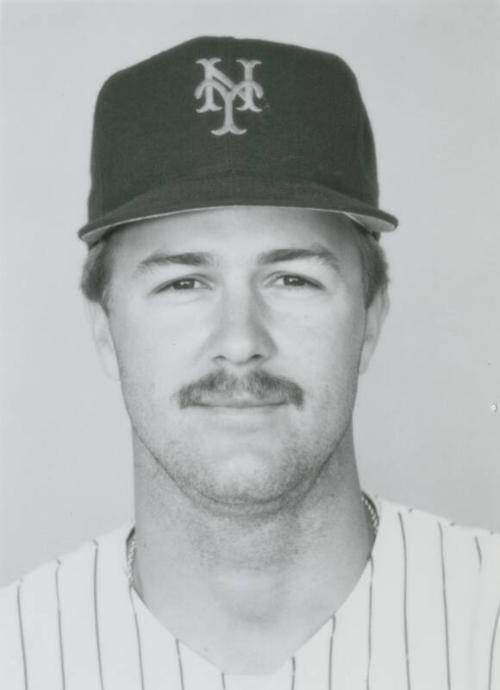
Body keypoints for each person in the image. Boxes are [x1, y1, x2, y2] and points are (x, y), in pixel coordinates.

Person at [1, 35, 499, 690]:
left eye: (292, 279)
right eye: (183, 283)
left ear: (372, 317)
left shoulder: (484, 624)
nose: (240, 340)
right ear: (105, 327)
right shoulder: (17, 653)